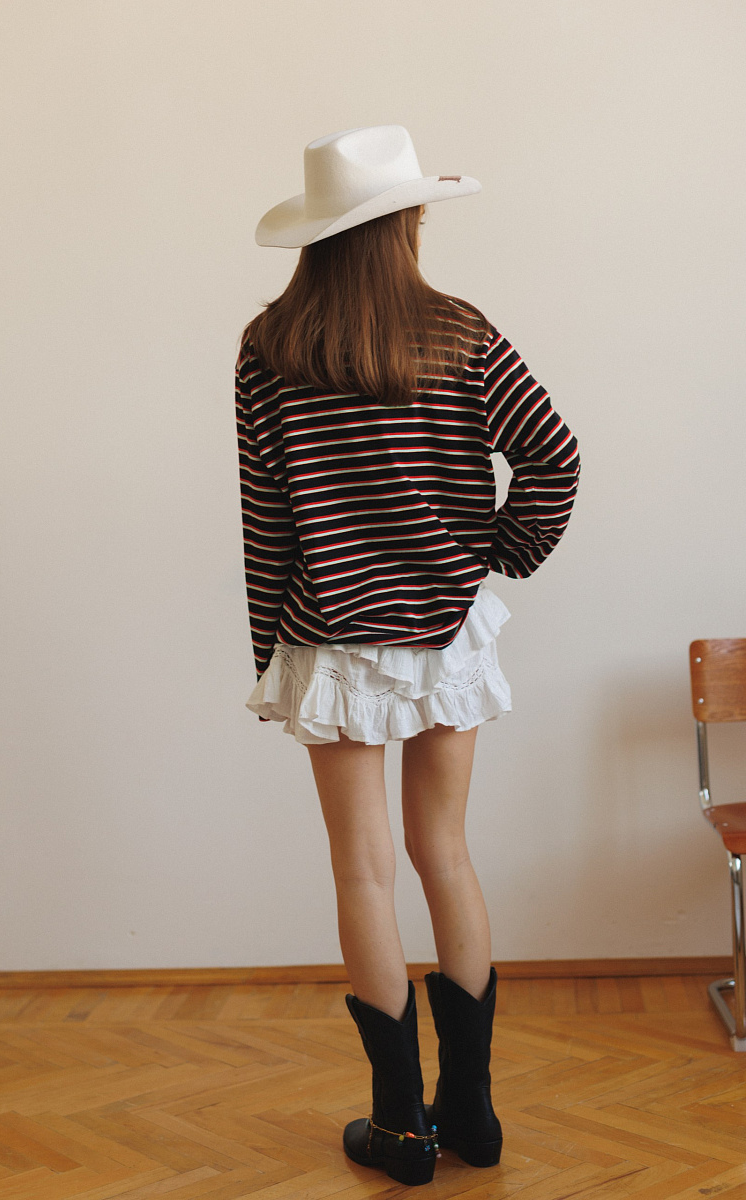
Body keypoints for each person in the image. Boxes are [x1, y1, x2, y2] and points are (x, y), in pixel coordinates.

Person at [235, 125, 580, 1187]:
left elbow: (266, 519)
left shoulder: (268, 347)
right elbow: (555, 455)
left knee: (363, 871)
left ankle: (401, 1127)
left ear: (318, 234)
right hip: (444, 631)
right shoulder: (459, 332)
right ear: (406, 224)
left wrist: (269, 653)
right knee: (446, 854)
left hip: (332, 635)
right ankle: (472, 1113)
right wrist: (496, 557)